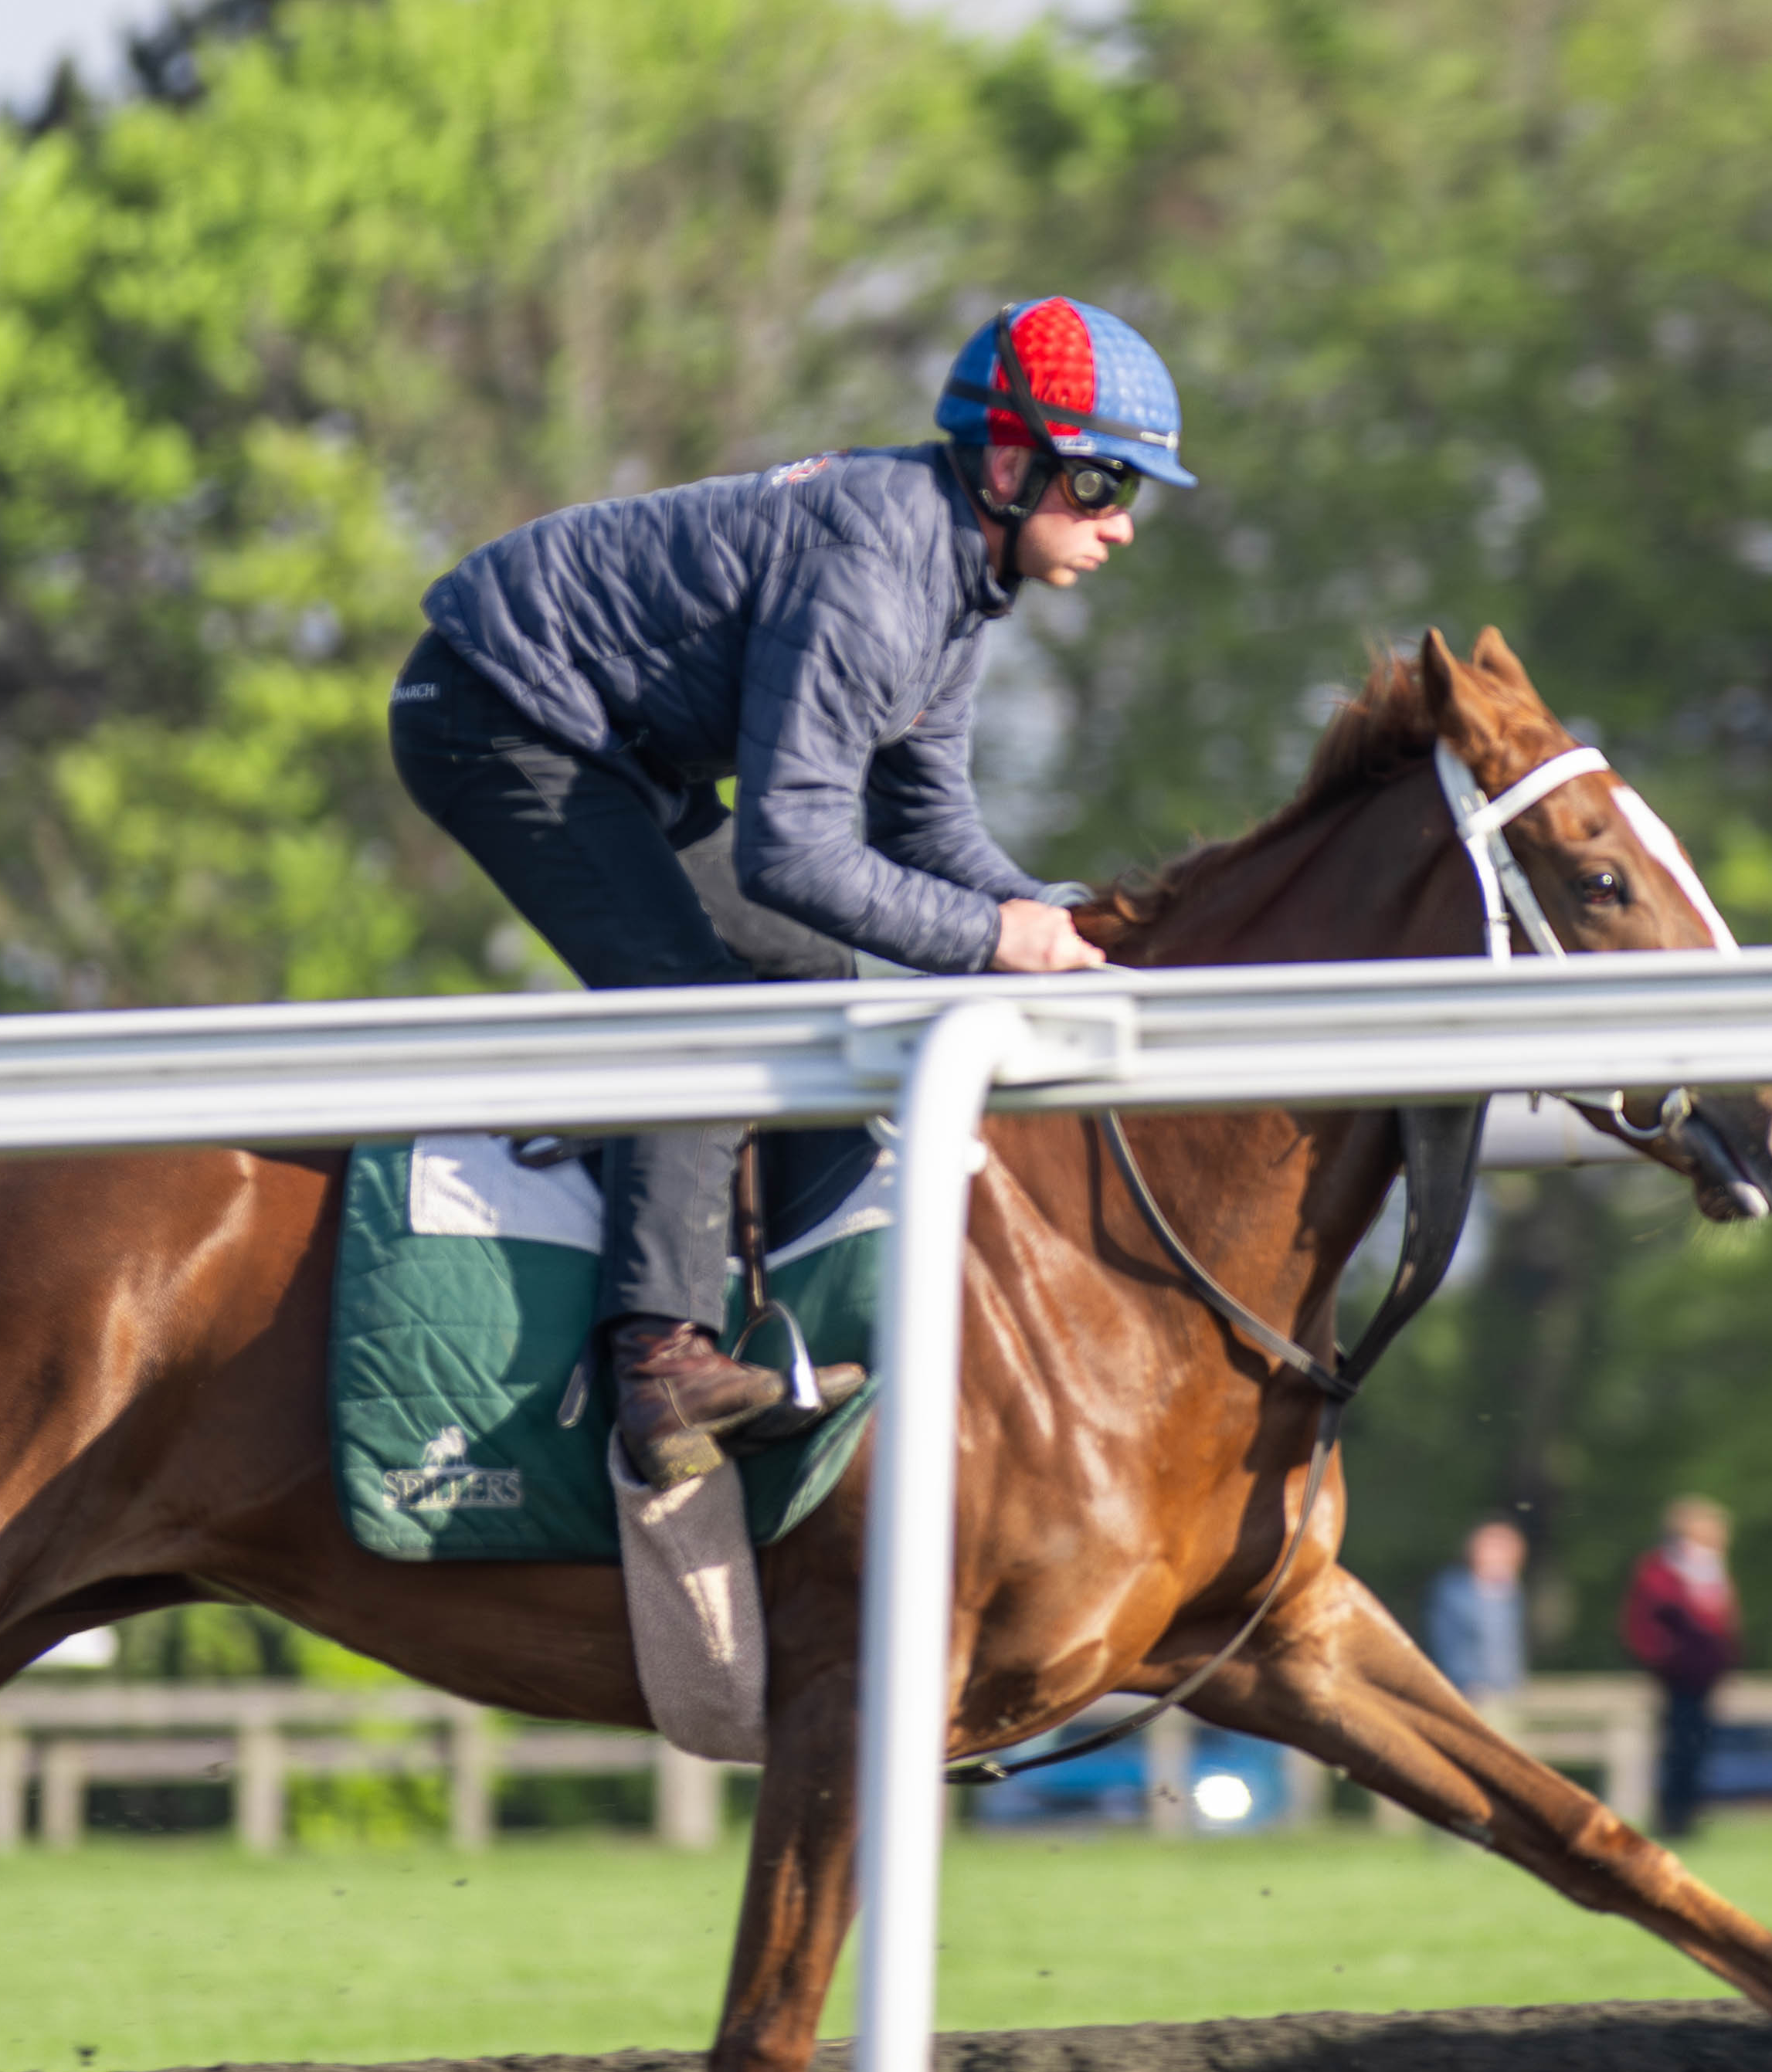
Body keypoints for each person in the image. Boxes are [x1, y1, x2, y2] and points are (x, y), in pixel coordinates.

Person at [389, 297, 1194, 1485]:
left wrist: (1061, 922)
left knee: (806, 970)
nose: (1120, 524)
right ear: (1009, 466)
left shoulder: (960, 580)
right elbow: (794, 853)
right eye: (1101, 485)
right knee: (697, 999)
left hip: (614, 745)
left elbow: (923, 825)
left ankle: (761, 1280)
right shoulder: (880, 564)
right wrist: (992, 936)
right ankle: (658, 1360)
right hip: (492, 709)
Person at [1621, 1496, 1740, 1837]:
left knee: (1698, 1746)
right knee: (1677, 1746)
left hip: (1707, 1674)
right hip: (1675, 1674)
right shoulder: (1660, 1571)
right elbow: (1642, 1624)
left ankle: (1690, 1814)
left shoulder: (1713, 1571)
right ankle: (1671, 1816)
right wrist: (1664, 1658)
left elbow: (1725, 1624)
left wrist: (1726, 1658)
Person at [1419, 1517, 1533, 1710]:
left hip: (1505, 1691)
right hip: (1466, 1692)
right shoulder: (1452, 1591)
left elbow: (1510, 1646)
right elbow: (1446, 1643)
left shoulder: (1511, 1593)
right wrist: (1468, 1682)